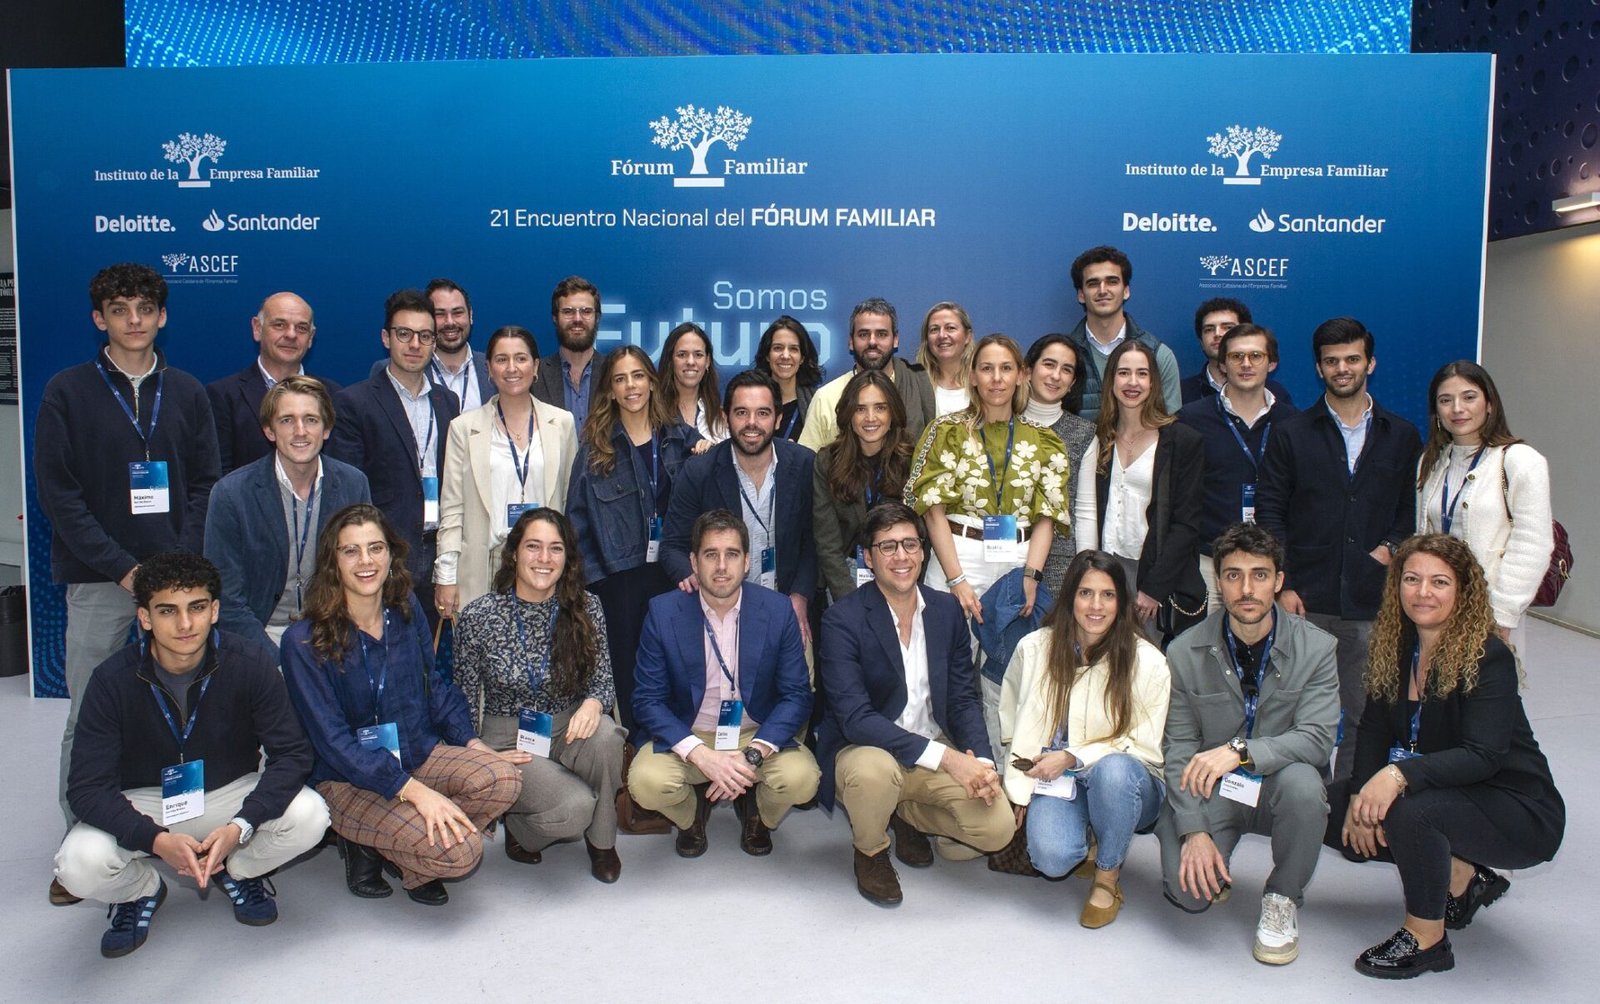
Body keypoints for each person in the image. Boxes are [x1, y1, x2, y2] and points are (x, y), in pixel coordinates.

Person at [36, 263, 221, 905]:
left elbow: (205, 484)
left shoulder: (188, 391)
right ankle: (78, 847)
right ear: (100, 319)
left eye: (145, 308)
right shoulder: (67, 391)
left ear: (162, 316)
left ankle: (183, 830)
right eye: (120, 309)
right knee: (87, 712)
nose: (134, 319)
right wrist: (125, 569)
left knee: (181, 705)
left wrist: (173, 570)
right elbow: (59, 495)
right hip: (100, 581)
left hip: (176, 586)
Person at [54, 552, 328, 958]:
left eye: (196, 608)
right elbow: (86, 788)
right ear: (145, 617)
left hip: (228, 792)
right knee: (76, 866)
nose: (185, 624)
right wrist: (155, 840)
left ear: (214, 611)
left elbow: (292, 754)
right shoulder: (111, 680)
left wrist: (241, 827)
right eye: (168, 611)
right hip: (147, 800)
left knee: (312, 815)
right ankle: (141, 890)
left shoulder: (250, 663)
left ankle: (236, 870)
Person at [1335, 534, 1564, 979]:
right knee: (1333, 808)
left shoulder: (1487, 656)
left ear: (1463, 591)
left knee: (1409, 811)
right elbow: (1374, 729)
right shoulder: (1396, 646)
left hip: (1517, 809)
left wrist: (1396, 776)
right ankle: (1462, 877)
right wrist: (1360, 796)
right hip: (1449, 794)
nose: (1423, 592)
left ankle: (1427, 938)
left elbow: (1483, 756)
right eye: (1412, 579)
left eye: (1439, 582)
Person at [280, 504, 522, 906]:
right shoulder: (303, 642)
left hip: (415, 756)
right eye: (351, 551)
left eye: (375, 548)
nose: (366, 561)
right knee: (463, 854)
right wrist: (416, 793)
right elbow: (333, 744)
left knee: (503, 778)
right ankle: (381, 840)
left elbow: (435, 689)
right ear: (332, 561)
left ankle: (403, 854)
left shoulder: (405, 609)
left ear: (391, 554)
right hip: (347, 779)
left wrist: (472, 743)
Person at [1157, 523, 1339, 966]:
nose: (1247, 589)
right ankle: (1213, 852)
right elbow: (1178, 748)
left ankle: (1282, 896)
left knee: (1305, 785)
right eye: (1233, 575)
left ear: (1278, 581)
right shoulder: (1183, 651)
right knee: (1188, 894)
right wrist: (1194, 831)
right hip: (1214, 788)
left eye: (1260, 575)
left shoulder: (1316, 649)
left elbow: (1317, 739)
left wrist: (1240, 751)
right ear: (1218, 582)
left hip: (1280, 784)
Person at [817, 503, 1014, 906]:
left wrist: (982, 764)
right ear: (868, 558)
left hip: (930, 744)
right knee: (874, 774)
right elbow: (856, 719)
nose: (901, 556)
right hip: (867, 750)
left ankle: (902, 811)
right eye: (887, 547)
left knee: (997, 828)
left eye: (909, 544)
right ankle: (871, 850)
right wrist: (950, 759)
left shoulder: (946, 611)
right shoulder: (842, 619)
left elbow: (963, 698)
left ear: (923, 552)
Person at [1256, 317, 1420, 779]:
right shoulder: (1291, 432)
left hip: (1372, 600)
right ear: (1318, 368)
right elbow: (1271, 511)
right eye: (1332, 361)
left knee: (1366, 712)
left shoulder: (1401, 435)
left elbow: (1409, 509)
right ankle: (1307, 799)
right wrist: (1283, 584)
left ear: (1370, 363)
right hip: (1304, 599)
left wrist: (1388, 549)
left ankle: (1349, 799)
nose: (1342, 369)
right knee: (1297, 713)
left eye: (1352, 359)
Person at [907, 334, 1068, 750]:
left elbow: (1047, 516)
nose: (996, 378)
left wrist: (1031, 575)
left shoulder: (1044, 440)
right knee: (940, 666)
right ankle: (939, 764)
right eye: (987, 368)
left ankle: (1001, 765)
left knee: (1008, 672)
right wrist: (956, 579)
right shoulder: (945, 430)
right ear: (972, 376)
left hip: (1018, 558)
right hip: (957, 553)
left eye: (1006, 369)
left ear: (1021, 376)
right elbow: (931, 509)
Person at [628, 510, 820, 857]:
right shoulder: (663, 612)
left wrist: (753, 755)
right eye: (710, 554)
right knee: (645, 783)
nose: (721, 566)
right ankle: (691, 817)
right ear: (693, 561)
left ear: (747, 562)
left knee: (803, 779)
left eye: (731, 554)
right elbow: (646, 700)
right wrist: (701, 755)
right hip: (691, 732)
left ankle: (759, 816)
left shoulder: (777, 610)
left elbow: (796, 696)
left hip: (754, 731)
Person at [453, 508, 626, 882]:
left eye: (555, 548)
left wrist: (594, 703)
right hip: (507, 738)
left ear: (568, 557)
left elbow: (603, 681)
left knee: (608, 737)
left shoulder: (586, 607)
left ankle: (602, 842)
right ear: (514, 552)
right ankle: (522, 830)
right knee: (574, 809)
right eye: (533, 546)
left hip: (568, 725)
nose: (544, 558)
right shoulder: (478, 616)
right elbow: (461, 699)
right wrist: (477, 756)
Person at [999, 551, 1170, 927]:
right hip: (1057, 777)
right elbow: (1013, 720)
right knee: (1052, 859)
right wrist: (1018, 789)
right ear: (1069, 598)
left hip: (1129, 781)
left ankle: (1108, 876)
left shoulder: (1148, 662)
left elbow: (1143, 745)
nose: (1096, 606)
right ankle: (1093, 832)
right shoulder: (1035, 648)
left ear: (1122, 601)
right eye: (1085, 593)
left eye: (1108, 595)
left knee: (1113, 773)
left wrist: (1073, 756)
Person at [566, 346, 702, 729]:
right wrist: (596, 585)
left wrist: (706, 451)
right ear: (610, 390)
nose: (631, 386)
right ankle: (634, 747)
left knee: (675, 668)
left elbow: (707, 502)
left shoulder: (680, 438)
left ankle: (678, 742)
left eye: (638, 376)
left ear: (653, 383)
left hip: (673, 575)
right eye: (620, 379)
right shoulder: (595, 449)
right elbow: (576, 522)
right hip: (619, 582)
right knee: (628, 673)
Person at [204, 375, 370, 653]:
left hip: (333, 632)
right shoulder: (231, 494)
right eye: (287, 420)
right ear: (269, 431)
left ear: (327, 429)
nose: (300, 431)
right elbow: (227, 599)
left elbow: (363, 576)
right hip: (261, 635)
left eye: (311, 420)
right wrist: (275, 662)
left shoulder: (354, 485)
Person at [326, 290, 460, 631]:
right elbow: (350, 494)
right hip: (384, 557)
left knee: (432, 655)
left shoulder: (448, 402)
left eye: (425, 336)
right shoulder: (354, 402)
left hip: (439, 552)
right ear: (386, 338)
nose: (415, 344)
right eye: (404, 334)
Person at [661, 369, 818, 645]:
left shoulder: (805, 464)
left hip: (786, 609)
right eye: (742, 412)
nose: (752, 423)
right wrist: (691, 578)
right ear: (726, 417)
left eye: (763, 413)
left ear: (778, 419)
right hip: (719, 611)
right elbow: (672, 546)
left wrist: (801, 595)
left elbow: (814, 540)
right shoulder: (699, 471)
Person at [433, 325, 578, 620]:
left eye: (521, 359)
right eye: (502, 359)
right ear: (488, 368)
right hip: (483, 567)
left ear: (535, 367)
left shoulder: (562, 423)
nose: (512, 368)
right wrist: (446, 576)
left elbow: (570, 503)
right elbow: (452, 510)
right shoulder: (463, 428)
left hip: (543, 566)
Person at [1074, 339, 1207, 643]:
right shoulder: (1099, 437)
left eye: (1142, 374)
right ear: (1111, 381)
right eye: (1123, 373)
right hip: (1106, 569)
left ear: (1153, 383)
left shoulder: (1182, 441)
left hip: (1153, 576)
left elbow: (1186, 524)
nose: (1132, 382)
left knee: (1148, 664)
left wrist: (1154, 588)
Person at [1414, 361, 1552, 647]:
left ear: (1489, 404)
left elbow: (1532, 544)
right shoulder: (1431, 461)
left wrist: (1502, 614)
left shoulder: (1521, 461)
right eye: (1445, 400)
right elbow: (1422, 535)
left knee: (1484, 676)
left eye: (1469, 397)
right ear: (1436, 411)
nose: (1457, 408)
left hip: (1489, 611)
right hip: (1435, 605)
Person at [1178, 324, 1298, 611]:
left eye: (1256, 356)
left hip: (1273, 567)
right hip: (1209, 564)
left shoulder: (1295, 424)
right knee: (1208, 640)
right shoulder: (1190, 420)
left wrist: (1289, 577)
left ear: (1272, 363)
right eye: (1236, 357)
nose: (1246, 364)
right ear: (1223, 364)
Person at [206, 291, 341, 474]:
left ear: (311, 337)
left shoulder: (334, 395)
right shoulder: (223, 396)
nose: (291, 335)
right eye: (279, 325)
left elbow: (339, 472)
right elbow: (218, 474)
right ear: (257, 328)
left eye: (301, 328)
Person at [812, 370, 914, 601]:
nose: (870, 418)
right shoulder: (827, 462)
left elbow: (921, 536)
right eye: (860, 409)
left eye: (880, 408)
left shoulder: (912, 459)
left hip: (901, 568)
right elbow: (827, 544)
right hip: (845, 574)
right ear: (848, 414)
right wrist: (849, 603)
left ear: (893, 412)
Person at [799, 297, 936, 450]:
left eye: (881, 334)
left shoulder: (918, 385)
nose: (872, 342)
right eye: (863, 334)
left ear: (895, 340)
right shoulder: (826, 398)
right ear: (851, 342)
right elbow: (807, 459)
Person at [1063, 245, 1182, 415]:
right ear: (1081, 295)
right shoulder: (1064, 355)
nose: (1102, 290)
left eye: (1112, 281)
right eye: (1093, 283)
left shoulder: (1159, 355)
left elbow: (1170, 424)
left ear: (1126, 291)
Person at [1023, 334, 1096, 586]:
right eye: (1049, 364)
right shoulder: (1003, 424)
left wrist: (1087, 573)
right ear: (1028, 370)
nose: (1056, 376)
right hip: (1005, 555)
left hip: (1060, 565)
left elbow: (1085, 511)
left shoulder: (1084, 433)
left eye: (1066, 370)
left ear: (1073, 382)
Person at [1179, 297, 1294, 407]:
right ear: (1201, 342)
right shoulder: (1181, 393)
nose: (1217, 334)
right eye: (1209, 329)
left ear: (1246, 333)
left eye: (1228, 327)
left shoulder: (1275, 394)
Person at [532, 275, 606, 432]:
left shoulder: (613, 372)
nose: (577, 319)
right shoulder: (535, 375)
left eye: (586, 311)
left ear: (597, 318)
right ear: (555, 318)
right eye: (568, 311)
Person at [422, 278, 493, 412]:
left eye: (457, 313)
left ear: (470, 315)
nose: (450, 322)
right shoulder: (410, 370)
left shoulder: (494, 369)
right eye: (439, 314)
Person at [753, 315, 823, 443]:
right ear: (767, 355)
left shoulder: (817, 403)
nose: (785, 356)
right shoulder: (750, 398)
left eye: (793, 349)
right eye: (778, 348)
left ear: (802, 358)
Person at [658, 321, 728, 443]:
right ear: (670, 360)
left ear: (707, 361)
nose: (690, 362)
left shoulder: (721, 418)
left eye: (698, 355)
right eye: (682, 355)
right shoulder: (654, 412)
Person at [915, 301, 975, 418]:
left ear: (967, 336)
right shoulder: (915, 385)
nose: (942, 335)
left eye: (950, 328)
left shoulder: (981, 383)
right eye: (934, 329)